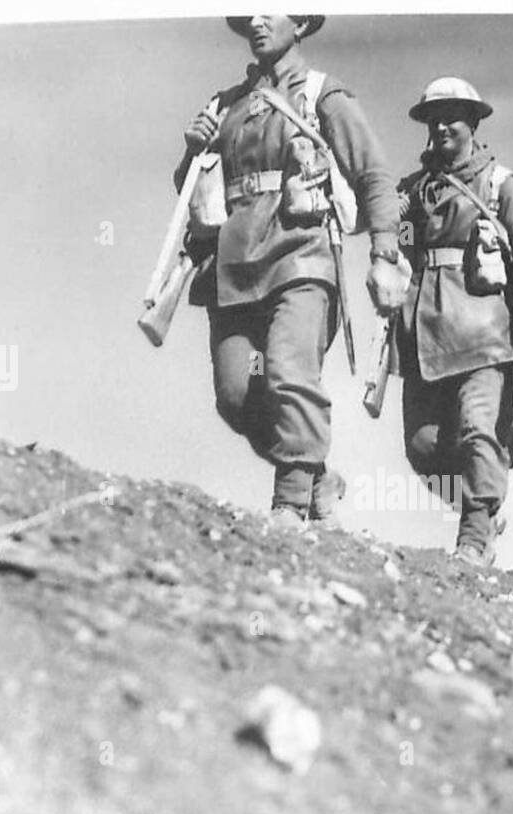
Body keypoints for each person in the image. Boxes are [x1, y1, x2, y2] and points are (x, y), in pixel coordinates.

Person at [175, 16, 404, 525]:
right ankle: (318, 473)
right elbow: (192, 190)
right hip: (233, 268)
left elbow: (373, 174)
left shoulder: (324, 95)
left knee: (289, 371)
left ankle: (290, 504)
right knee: (238, 395)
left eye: (271, 8)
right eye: (250, 11)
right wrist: (193, 149)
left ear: (300, 21)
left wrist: (385, 253)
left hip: (301, 256)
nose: (257, 18)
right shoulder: (225, 104)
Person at [394, 77, 513, 565]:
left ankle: (474, 535)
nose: (443, 124)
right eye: (435, 117)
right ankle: (482, 510)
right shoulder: (414, 190)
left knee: (478, 431)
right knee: (424, 448)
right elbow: (395, 238)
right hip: (424, 337)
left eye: (453, 115)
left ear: (473, 122)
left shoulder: (499, 185)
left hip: (487, 336)